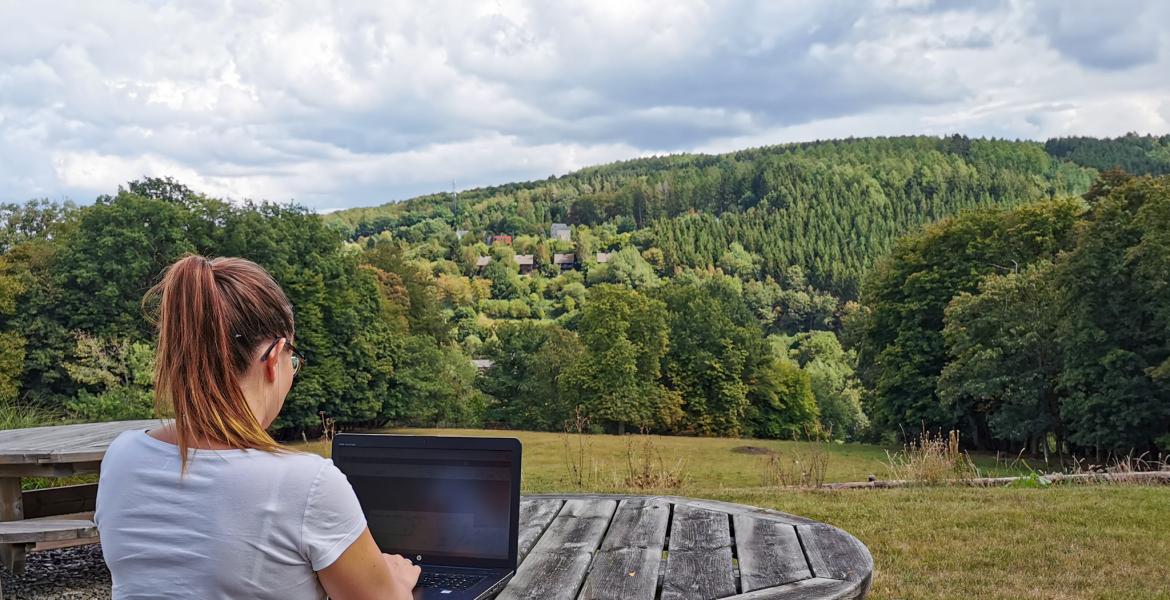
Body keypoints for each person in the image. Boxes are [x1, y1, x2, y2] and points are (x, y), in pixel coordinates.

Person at [94, 255, 420, 599]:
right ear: (274, 356)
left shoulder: (122, 456)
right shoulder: (308, 484)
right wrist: (395, 583)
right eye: (293, 361)